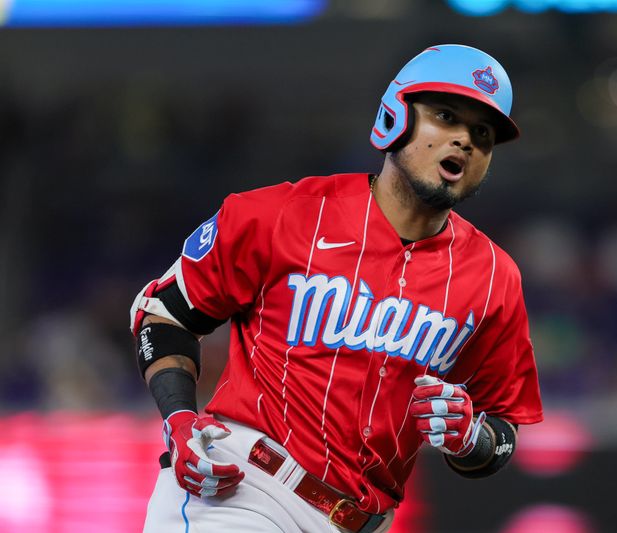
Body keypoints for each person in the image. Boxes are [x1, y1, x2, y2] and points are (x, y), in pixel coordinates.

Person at [131, 44, 543, 533]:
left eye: (482, 133)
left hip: (364, 523)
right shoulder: (281, 214)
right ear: (397, 116)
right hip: (242, 492)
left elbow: (503, 427)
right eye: (446, 116)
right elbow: (165, 315)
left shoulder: (494, 277)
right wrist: (178, 420)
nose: (464, 141)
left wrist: (470, 436)